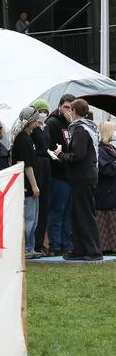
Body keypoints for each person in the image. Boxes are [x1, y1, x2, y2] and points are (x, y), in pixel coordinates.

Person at [54, 99, 102, 261]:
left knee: (85, 214)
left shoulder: (80, 129)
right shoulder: (88, 127)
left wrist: (60, 155)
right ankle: (80, 249)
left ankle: (93, 251)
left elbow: (78, 155)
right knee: (78, 214)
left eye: (70, 109)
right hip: (85, 177)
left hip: (83, 177)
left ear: (74, 111)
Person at [45, 94, 75, 256]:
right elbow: (50, 150)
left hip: (71, 175)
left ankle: (66, 244)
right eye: (66, 107)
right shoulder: (52, 123)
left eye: (71, 108)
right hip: (58, 174)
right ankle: (55, 245)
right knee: (57, 210)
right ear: (59, 107)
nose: (69, 111)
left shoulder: (74, 125)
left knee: (68, 212)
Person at [11, 106, 41, 259]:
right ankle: (26, 248)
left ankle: (30, 246)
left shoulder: (27, 138)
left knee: (33, 218)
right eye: (35, 119)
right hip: (26, 185)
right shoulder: (23, 139)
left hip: (28, 184)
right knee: (29, 217)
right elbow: (26, 164)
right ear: (30, 121)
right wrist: (34, 186)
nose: (38, 121)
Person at [30, 98, 52, 255]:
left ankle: (39, 243)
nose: (43, 114)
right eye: (40, 111)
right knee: (35, 206)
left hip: (47, 164)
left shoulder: (46, 128)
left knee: (45, 205)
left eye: (45, 111)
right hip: (38, 164)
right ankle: (33, 243)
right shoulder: (32, 129)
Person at [96, 121, 116, 254]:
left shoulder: (111, 148)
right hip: (105, 191)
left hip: (112, 190)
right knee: (106, 220)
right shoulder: (100, 149)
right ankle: (106, 246)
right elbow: (105, 169)